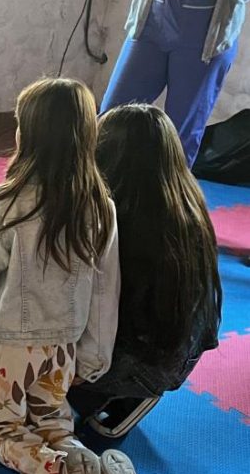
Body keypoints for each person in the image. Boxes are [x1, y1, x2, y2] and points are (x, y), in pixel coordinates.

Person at [0, 78, 151, 474]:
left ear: (30, 136)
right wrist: (92, 358)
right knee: (53, 423)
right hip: (61, 351)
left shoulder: (2, 204)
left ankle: (55, 469)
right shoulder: (100, 207)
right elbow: (106, 292)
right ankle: (93, 469)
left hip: (8, 348)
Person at [69, 104, 222, 436]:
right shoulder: (189, 203)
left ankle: (112, 394)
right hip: (182, 354)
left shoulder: (114, 219)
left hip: (135, 361)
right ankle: (121, 393)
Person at [101, 0, 250, 167]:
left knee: (179, 138)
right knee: (111, 118)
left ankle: (168, 203)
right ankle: (96, 197)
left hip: (205, 40)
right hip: (152, 25)